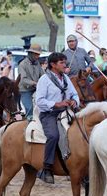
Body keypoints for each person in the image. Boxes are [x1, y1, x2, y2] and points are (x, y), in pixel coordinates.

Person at [35, 52, 79, 184]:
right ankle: (47, 167)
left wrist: (74, 102)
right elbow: (40, 101)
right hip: (49, 114)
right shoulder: (44, 80)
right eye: (62, 63)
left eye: (65, 62)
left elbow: (75, 94)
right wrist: (56, 104)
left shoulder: (65, 78)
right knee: (54, 135)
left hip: (66, 112)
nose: (65, 65)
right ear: (53, 65)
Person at [18, 44, 44, 120]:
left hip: (36, 89)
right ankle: (29, 126)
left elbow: (43, 75)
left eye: (38, 54)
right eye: (36, 54)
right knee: (29, 109)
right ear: (30, 53)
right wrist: (34, 83)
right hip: (25, 90)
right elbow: (23, 80)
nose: (38, 56)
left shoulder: (37, 63)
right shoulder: (22, 64)